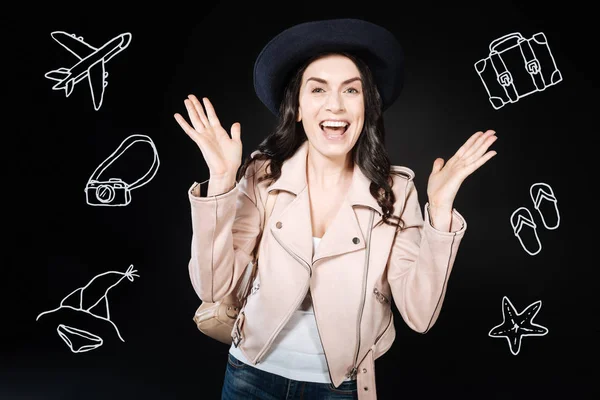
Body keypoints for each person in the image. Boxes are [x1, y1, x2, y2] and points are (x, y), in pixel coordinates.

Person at [174, 18, 497, 400]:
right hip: (250, 376)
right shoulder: (261, 175)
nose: (335, 105)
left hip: (341, 387)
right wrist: (221, 181)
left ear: (367, 106)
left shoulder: (396, 191)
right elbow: (212, 286)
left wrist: (439, 213)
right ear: (295, 107)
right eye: (318, 89)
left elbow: (420, 316)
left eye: (351, 90)